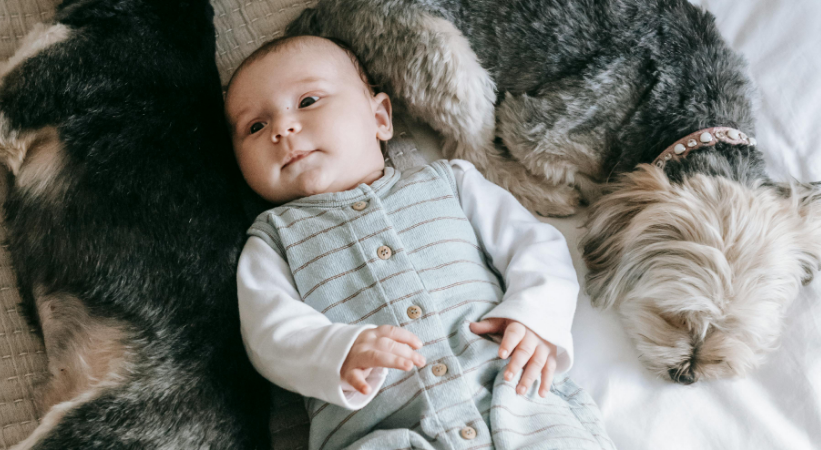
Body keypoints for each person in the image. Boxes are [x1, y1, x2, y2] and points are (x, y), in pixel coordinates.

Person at [226, 35, 615, 450]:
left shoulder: (451, 181)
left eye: (307, 102)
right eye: (255, 126)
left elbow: (535, 245)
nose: (282, 128)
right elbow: (269, 334)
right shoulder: (272, 239)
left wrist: (536, 318)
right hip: (382, 433)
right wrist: (339, 350)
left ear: (380, 118)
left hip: (515, 399)